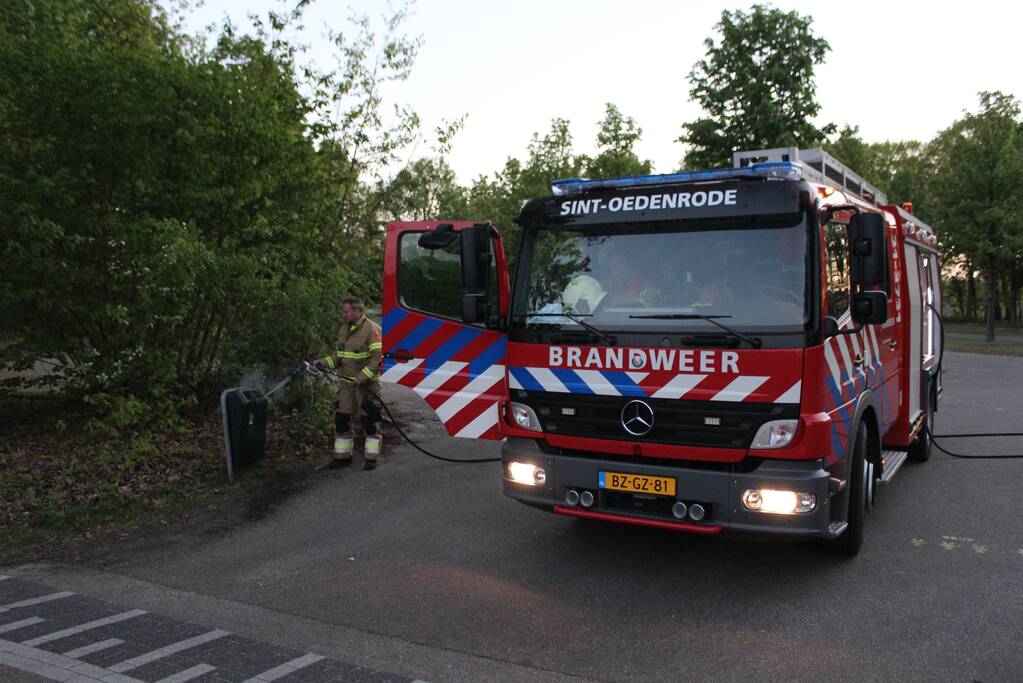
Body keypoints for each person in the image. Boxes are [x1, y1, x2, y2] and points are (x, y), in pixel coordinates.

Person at [313, 297, 384, 470]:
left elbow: (377, 359)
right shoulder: (344, 329)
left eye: (346, 311)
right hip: (347, 385)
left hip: (366, 386)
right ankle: (343, 457)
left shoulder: (372, 329)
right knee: (342, 419)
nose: (343, 314)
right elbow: (339, 356)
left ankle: (371, 458)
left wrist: (361, 378)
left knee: (369, 421)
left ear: (357, 311)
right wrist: (323, 363)